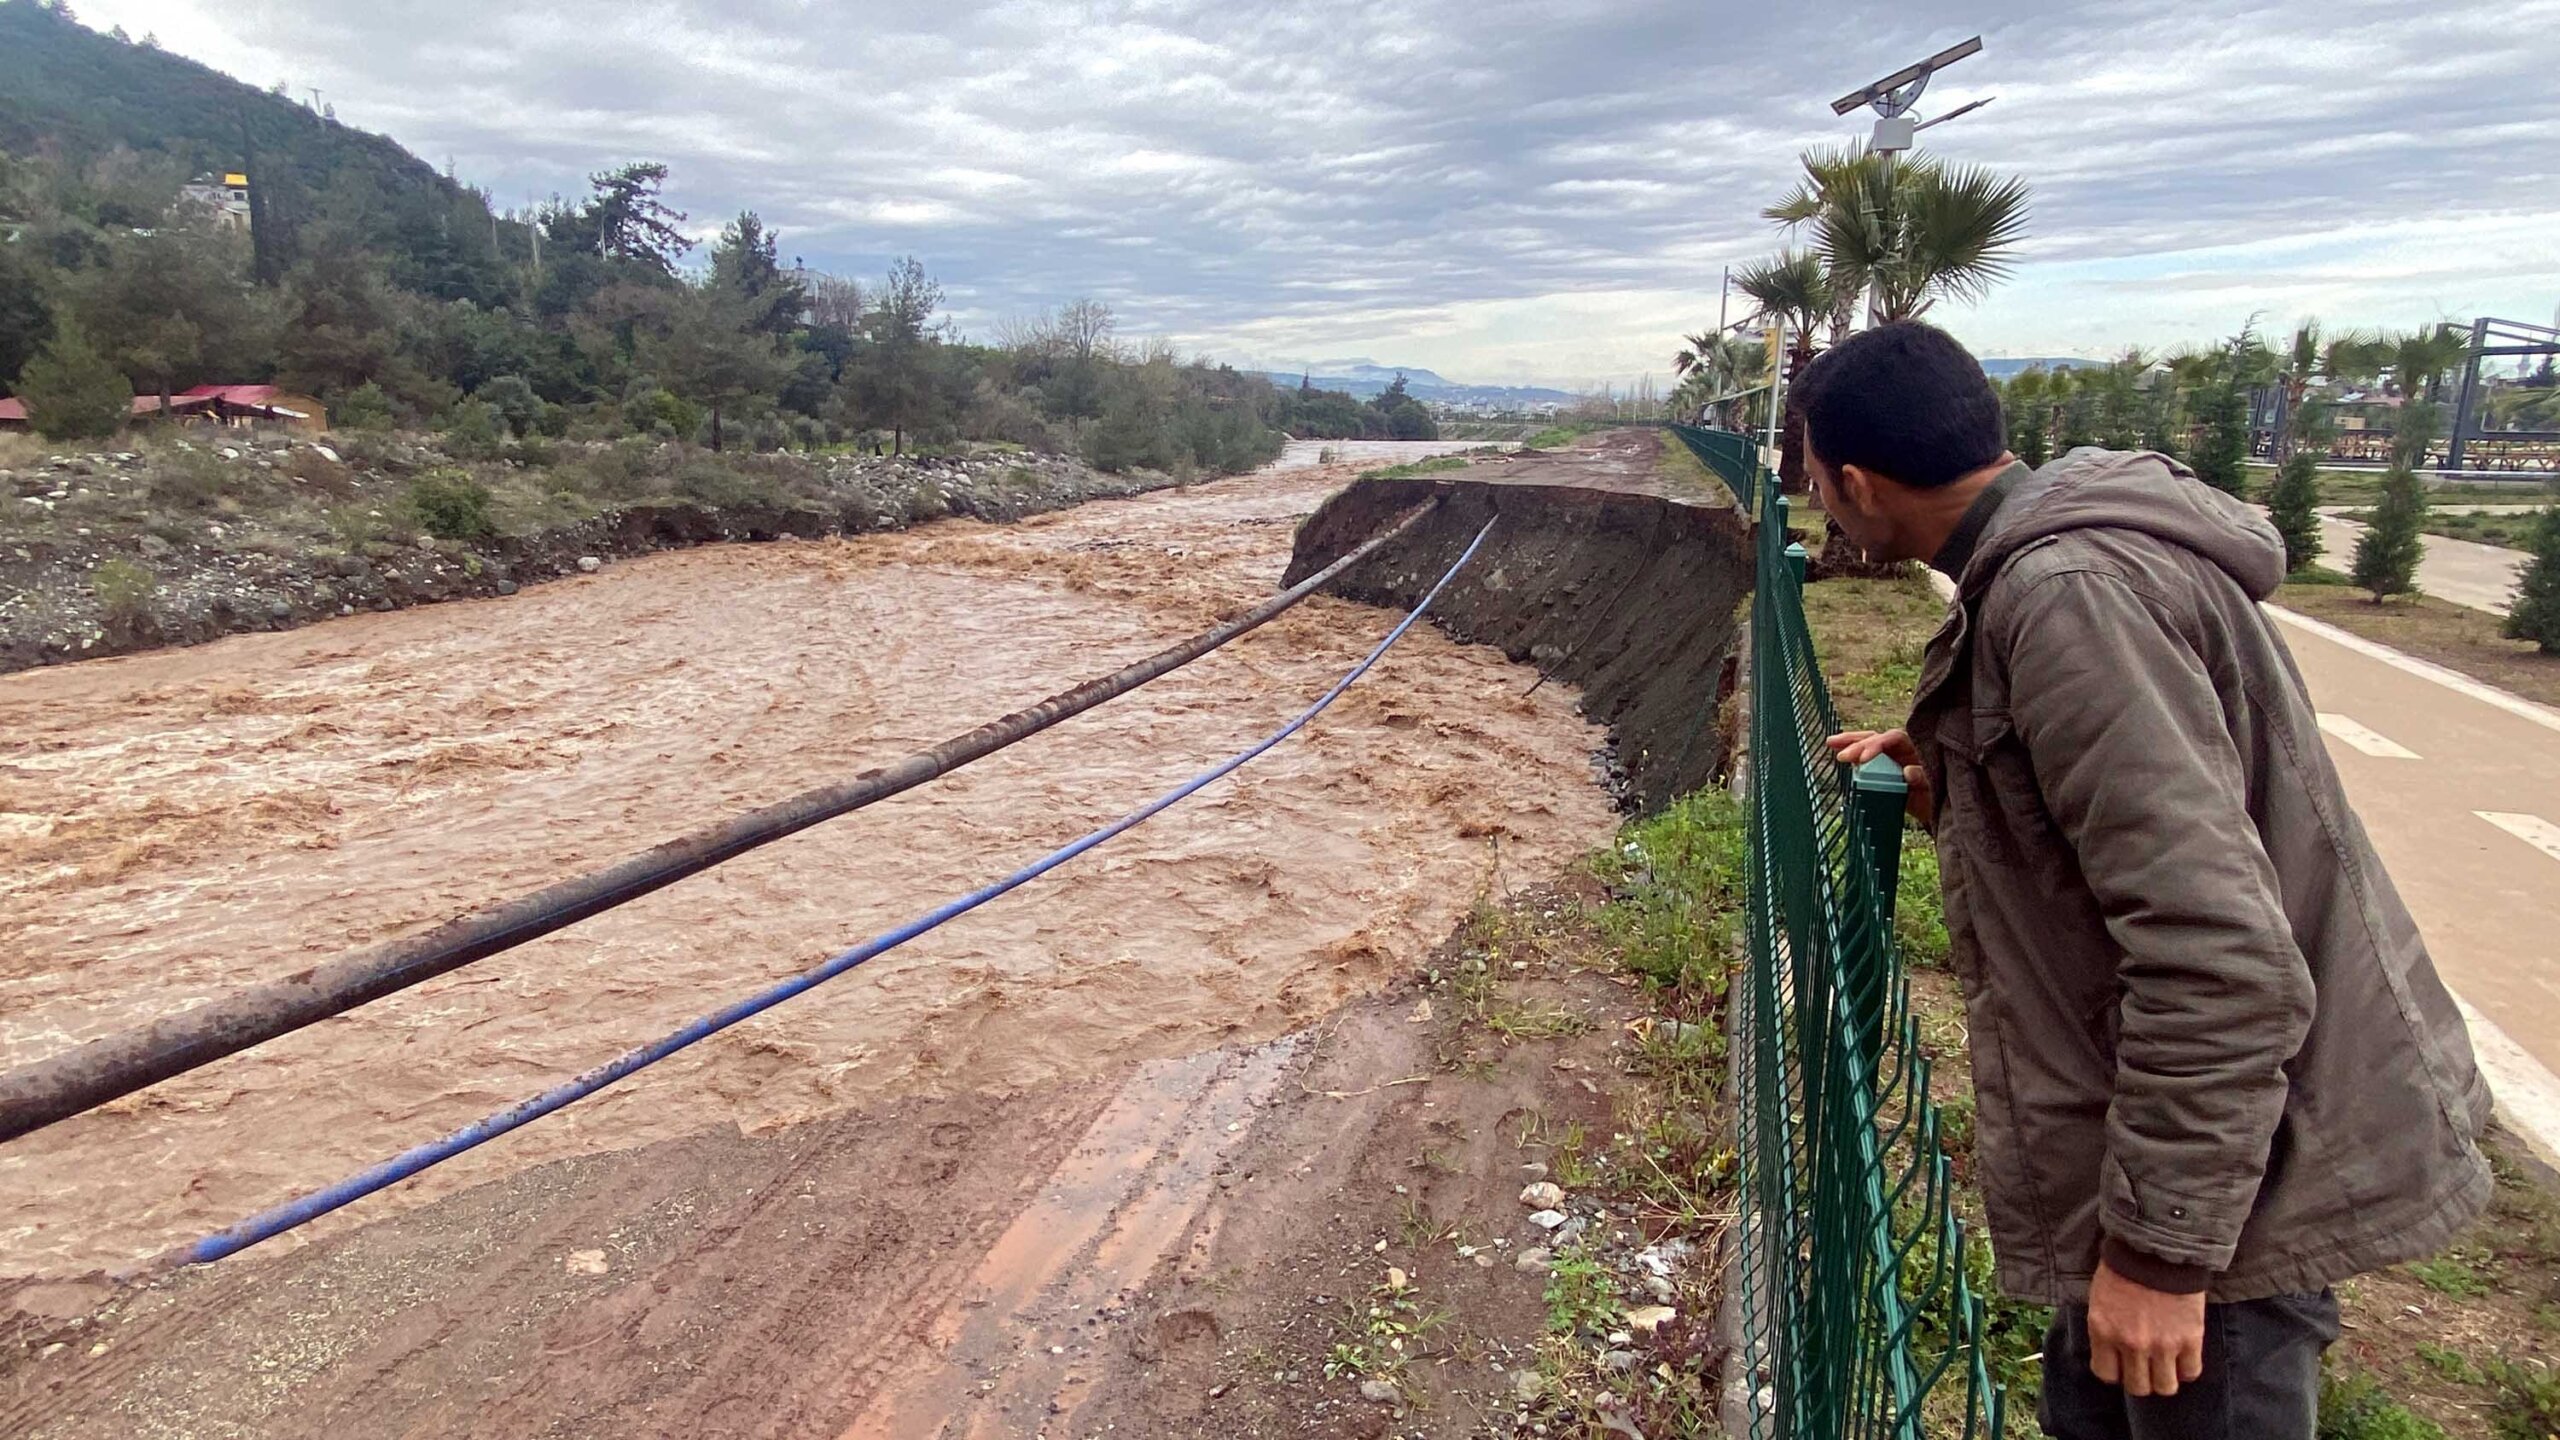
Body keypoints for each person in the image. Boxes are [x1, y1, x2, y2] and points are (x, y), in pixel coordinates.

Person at [1807, 322, 2491, 1439]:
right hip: (2195, 1147)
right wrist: (1973, 782)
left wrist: (2161, 1254)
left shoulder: (2068, 595)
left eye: (1821, 484)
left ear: (1854, 483)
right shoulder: (2067, 557)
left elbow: (2217, 950)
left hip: (2228, 1195)